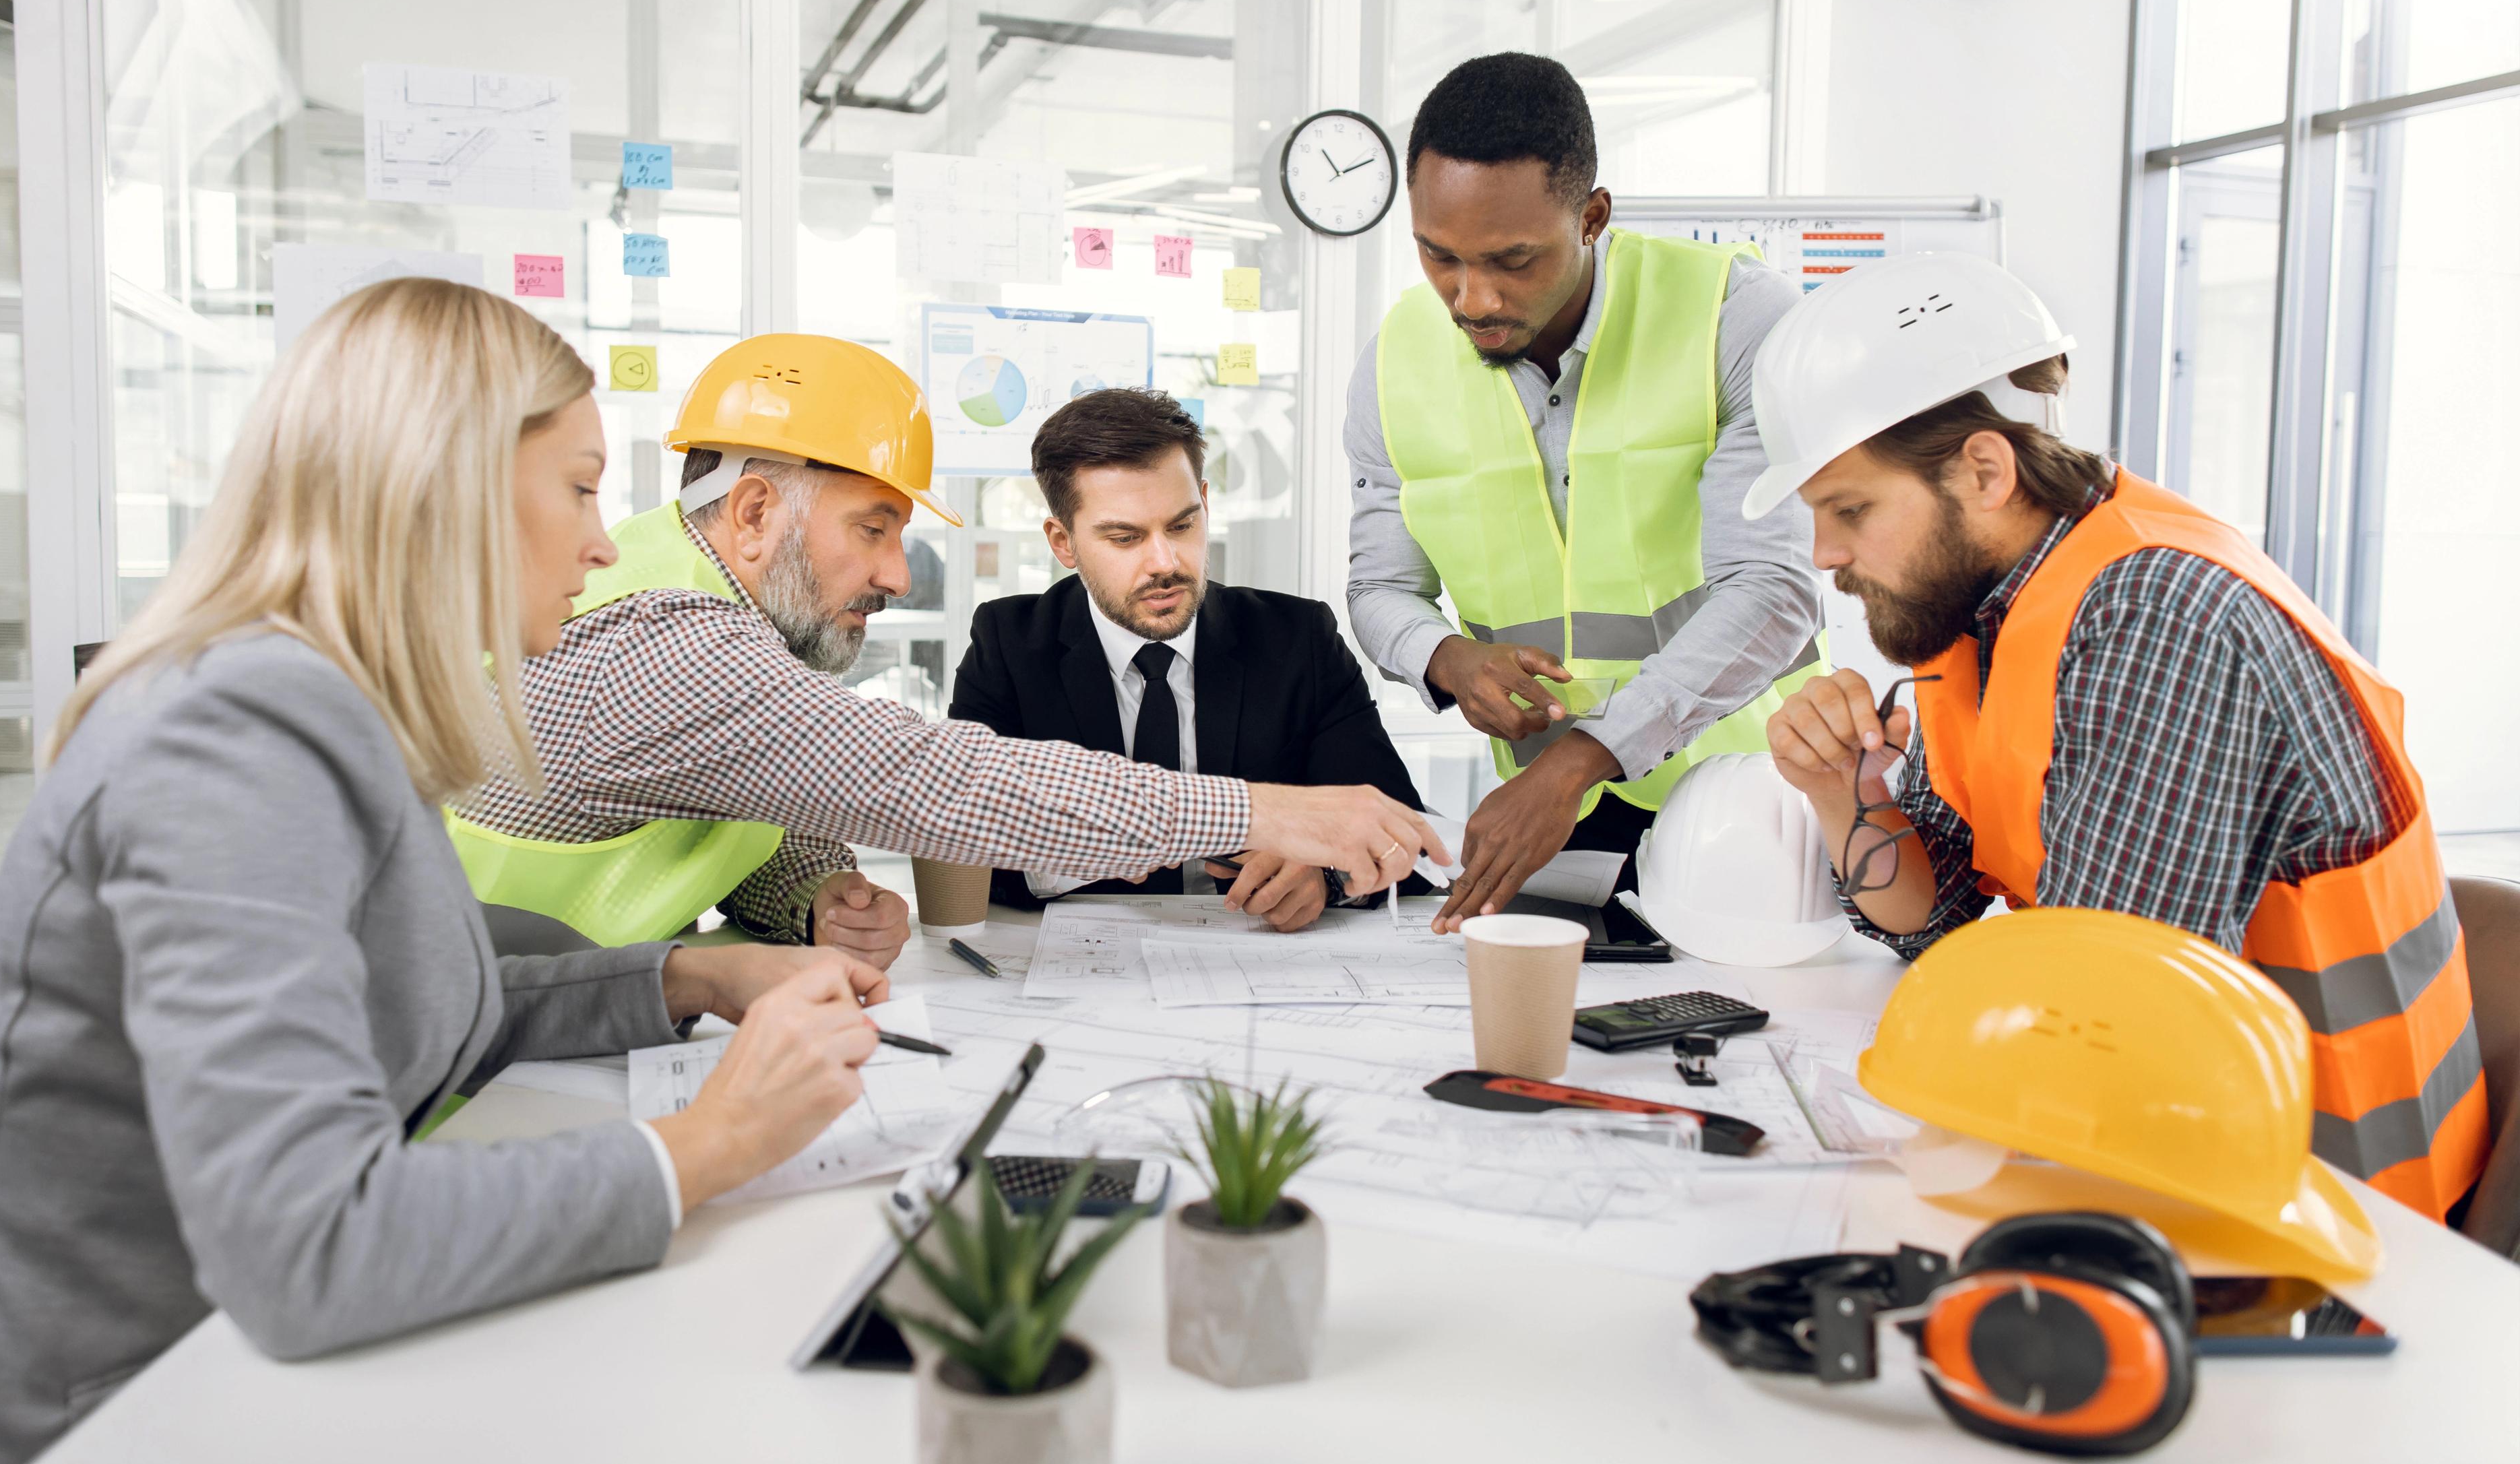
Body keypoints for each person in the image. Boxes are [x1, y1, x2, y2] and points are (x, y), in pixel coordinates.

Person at [0, 280, 897, 1464]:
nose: (606, 543)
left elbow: (420, 994)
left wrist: (684, 973)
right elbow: (306, 1242)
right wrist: (708, 1146)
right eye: (582, 488)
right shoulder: (234, 742)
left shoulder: (328, 704)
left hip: (238, 1381)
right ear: (442, 489)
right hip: (111, 1422)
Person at [1751, 251, 2486, 1223]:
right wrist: (1842, 791)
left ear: (1983, 470)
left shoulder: (2158, 616)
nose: (1826, 555)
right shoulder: (1981, 613)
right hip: (2188, 1163)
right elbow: (1930, 922)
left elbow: (2109, 1030)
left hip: (2319, 1225)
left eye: (1851, 510)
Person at [449, 333, 1439, 962]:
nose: (894, 575)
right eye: (874, 529)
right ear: (755, 511)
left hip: (541, 1015)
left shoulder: (714, 607)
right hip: (474, 1074)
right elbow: (940, 784)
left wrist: (807, 896)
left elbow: (716, 805)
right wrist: (1270, 812)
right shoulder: (667, 642)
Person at [1344, 52, 1824, 931]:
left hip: (1753, 798)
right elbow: (1379, 590)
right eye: (1437, 255)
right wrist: (1448, 660)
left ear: (1592, 216)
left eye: (1512, 260)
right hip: (1550, 823)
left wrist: (1581, 760)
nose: (1470, 296)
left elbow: (1776, 587)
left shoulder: (1736, 315)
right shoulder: (1392, 362)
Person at [950, 388, 1424, 928]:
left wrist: (1328, 874)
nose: (1165, 562)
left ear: (1205, 502)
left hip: (1258, 958)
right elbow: (962, 842)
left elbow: (1406, 836)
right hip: (1084, 969)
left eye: (1182, 525)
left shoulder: (1297, 639)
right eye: (1125, 537)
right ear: (1064, 543)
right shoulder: (1009, 645)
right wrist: (1084, 850)